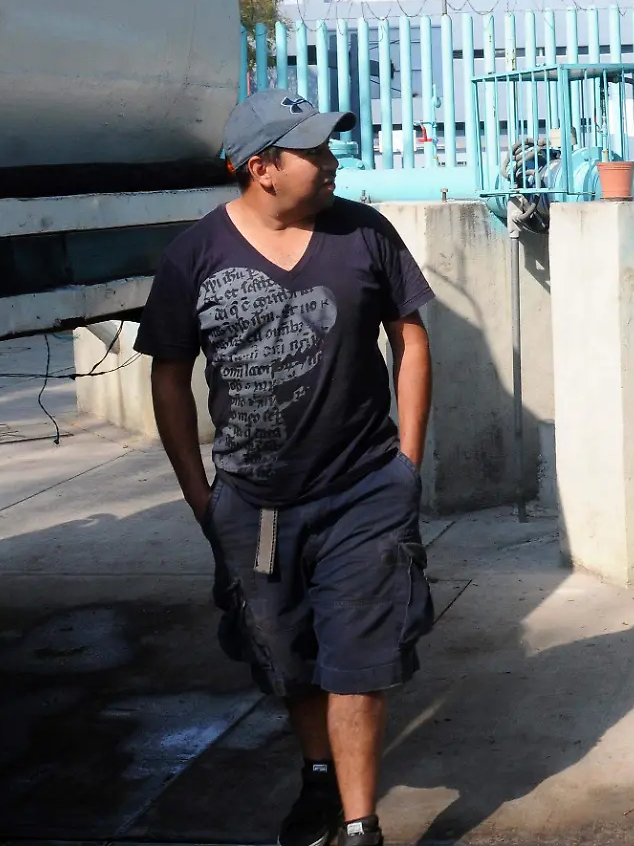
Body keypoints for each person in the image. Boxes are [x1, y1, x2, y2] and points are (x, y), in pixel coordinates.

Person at [137, 92, 436, 846]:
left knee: (357, 662)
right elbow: (169, 375)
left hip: (365, 491)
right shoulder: (194, 255)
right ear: (262, 168)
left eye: (331, 147)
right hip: (258, 507)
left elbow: (412, 339)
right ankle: (317, 780)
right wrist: (202, 499)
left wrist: (406, 462)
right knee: (288, 654)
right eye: (315, 151)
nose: (333, 162)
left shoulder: (363, 233)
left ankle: (361, 824)